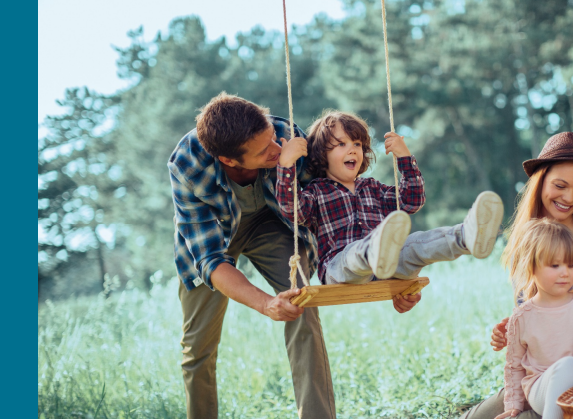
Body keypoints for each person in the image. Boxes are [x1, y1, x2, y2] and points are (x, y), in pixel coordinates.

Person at [168, 94, 420, 419]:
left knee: (300, 303)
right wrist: (263, 304)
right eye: (263, 151)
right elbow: (210, 260)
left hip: (273, 223)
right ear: (228, 160)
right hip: (214, 236)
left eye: (272, 139)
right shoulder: (187, 165)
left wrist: (391, 278)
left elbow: (341, 207)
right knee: (197, 346)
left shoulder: (287, 135)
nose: (276, 149)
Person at [460, 131, 573, 419]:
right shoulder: (525, 241)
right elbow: (532, 307)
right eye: (560, 185)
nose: (570, 197)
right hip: (538, 376)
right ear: (541, 180)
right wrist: (512, 329)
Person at [275, 110, 504, 285]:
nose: (353, 149)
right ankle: (375, 249)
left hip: (388, 266)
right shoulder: (316, 192)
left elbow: (411, 201)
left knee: (417, 244)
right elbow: (292, 211)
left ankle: (467, 237)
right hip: (340, 267)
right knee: (354, 254)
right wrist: (286, 165)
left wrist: (404, 158)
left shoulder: (373, 188)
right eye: (341, 144)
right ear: (321, 153)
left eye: (357, 144)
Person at [495, 219, 573, 419]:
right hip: (541, 390)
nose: (565, 273)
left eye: (571, 265)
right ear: (531, 267)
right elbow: (514, 366)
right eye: (555, 265)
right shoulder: (522, 316)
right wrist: (513, 405)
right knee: (571, 365)